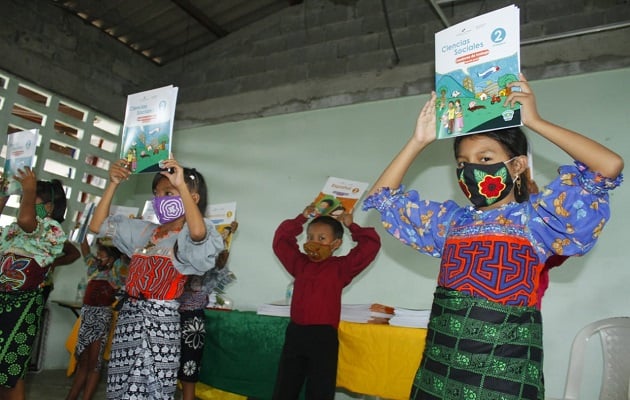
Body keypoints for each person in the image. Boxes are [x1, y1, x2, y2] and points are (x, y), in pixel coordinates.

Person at [362, 74, 624, 399]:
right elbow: (382, 198)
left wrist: (535, 121)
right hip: (438, 373)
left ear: (516, 167)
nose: (471, 170)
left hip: (502, 381)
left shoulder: (537, 220)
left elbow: (608, 166)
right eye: (462, 163)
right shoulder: (448, 223)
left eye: (485, 159)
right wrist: (418, 141)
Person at [88, 157, 224, 400]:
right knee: (121, 389)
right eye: (157, 193)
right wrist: (113, 184)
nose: (160, 199)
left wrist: (182, 186)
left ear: (192, 199)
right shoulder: (145, 232)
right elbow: (97, 226)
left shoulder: (188, 238)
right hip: (129, 320)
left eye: (168, 192)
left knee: (154, 389)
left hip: (160, 326)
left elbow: (198, 233)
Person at [271, 205, 381, 399]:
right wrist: (301, 218)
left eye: (322, 238)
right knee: (285, 386)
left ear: (336, 244)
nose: (314, 242)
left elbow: (370, 245)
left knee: (320, 389)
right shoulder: (300, 263)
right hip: (296, 332)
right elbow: (281, 242)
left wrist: (351, 225)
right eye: (310, 237)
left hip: (323, 336)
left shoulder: (341, 268)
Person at [0, 170, 68, 400]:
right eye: (23, 200)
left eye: (30, 199)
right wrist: (3, 195)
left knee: (12, 370)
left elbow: (27, 219)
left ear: (49, 207)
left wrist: (29, 188)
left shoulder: (52, 230)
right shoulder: (13, 231)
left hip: (22, 306)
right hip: (2, 301)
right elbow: (21, 221)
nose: (24, 205)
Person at [177, 221, 238, 400]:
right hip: (173, 317)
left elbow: (221, 277)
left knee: (189, 369)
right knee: (174, 368)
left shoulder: (210, 265)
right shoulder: (181, 259)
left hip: (191, 320)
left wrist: (228, 233)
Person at [66, 237, 127, 400]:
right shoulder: (94, 267)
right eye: (98, 253)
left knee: (95, 362)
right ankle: (71, 397)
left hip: (101, 317)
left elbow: (125, 260)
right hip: (87, 316)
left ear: (112, 257)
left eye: (102, 253)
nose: (98, 256)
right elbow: (84, 248)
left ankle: (86, 397)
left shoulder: (117, 269)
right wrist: (85, 229)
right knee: (83, 359)